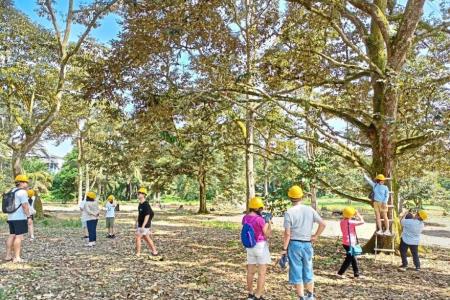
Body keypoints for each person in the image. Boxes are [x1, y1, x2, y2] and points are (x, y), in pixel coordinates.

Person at [282, 185, 326, 300]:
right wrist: (315, 236)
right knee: (308, 269)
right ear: (301, 196)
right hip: (307, 244)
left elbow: (287, 234)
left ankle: (301, 297)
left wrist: (284, 249)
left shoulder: (289, 212)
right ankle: (310, 295)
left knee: (296, 270)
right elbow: (323, 224)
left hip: (294, 245)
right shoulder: (310, 210)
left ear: (290, 197)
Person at [242, 197, 272, 300]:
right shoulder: (260, 220)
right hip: (260, 247)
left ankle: (250, 293)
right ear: (258, 208)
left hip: (249, 247)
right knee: (261, 273)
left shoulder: (245, 218)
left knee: (250, 271)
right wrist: (268, 222)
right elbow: (267, 234)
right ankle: (258, 295)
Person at [4, 175, 32, 263]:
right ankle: (17, 257)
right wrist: (28, 217)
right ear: (22, 183)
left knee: (11, 235)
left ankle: (8, 255)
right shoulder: (22, 192)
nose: (27, 184)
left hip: (10, 217)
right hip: (19, 218)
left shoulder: (11, 190)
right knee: (19, 237)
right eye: (26, 182)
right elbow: (25, 206)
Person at [337, 207, 364, 278]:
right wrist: (358, 215)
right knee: (349, 259)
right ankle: (340, 273)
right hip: (350, 243)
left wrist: (351, 215)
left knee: (353, 258)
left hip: (345, 243)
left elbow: (346, 217)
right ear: (351, 215)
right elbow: (362, 222)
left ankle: (356, 274)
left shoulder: (342, 221)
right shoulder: (351, 222)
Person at [135, 187, 158, 256]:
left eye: (140, 193)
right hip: (141, 224)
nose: (138, 194)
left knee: (138, 237)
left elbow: (147, 216)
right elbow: (140, 214)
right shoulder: (140, 204)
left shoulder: (146, 205)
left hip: (145, 224)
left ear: (144, 195)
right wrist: (136, 222)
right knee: (146, 237)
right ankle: (154, 251)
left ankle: (138, 253)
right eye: (138, 193)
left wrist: (143, 226)